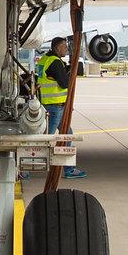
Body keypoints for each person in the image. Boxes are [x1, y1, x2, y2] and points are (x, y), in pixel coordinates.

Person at [36, 37, 88, 179]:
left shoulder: (44, 60)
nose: (66, 49)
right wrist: (72, 71)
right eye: (64, 47)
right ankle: (26, 169)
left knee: (66, 134)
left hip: (48, 104)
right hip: (55, 106)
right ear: (57, 48)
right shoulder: (55, 62)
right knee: (46, 139)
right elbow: (65, 83)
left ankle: (68, 169)